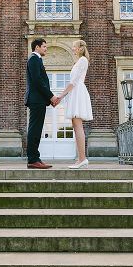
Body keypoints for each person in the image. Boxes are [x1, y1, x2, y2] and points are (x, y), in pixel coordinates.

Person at [57, 40, 93, 169]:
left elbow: (73, 82)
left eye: (74, 47)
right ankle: (80, 159)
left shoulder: (82, 60)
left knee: (78, 126)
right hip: (75, 92)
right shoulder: (79, 61)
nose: (72, 49)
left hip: (77, 91)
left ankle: (82, 159)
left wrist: (61, 96)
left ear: (80, 48)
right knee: (75, 125)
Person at [24, 38, 59, 169]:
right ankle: (33, 159)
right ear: (37, 47)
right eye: (44, 46)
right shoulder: (33, 59)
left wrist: (49, 99)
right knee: (34, 130)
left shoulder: (36, 59)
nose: (46, 49)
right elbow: (38, 81)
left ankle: (35, 158)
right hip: (36, 100)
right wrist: (51, 97)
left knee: (37, 130)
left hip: (38, 100)